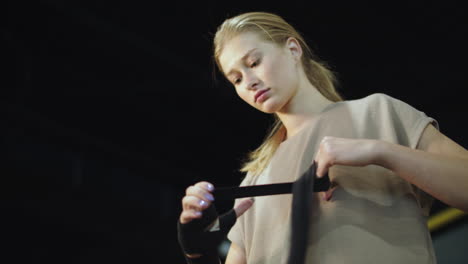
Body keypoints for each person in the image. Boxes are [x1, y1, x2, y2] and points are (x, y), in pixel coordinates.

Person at [177, 11, 468, 264]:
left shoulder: (376, 113)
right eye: (236, 79)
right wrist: (199, 255)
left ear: (293, 49)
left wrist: (381, 152)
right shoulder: (254, 183)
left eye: (253, 62)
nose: (249, 82)